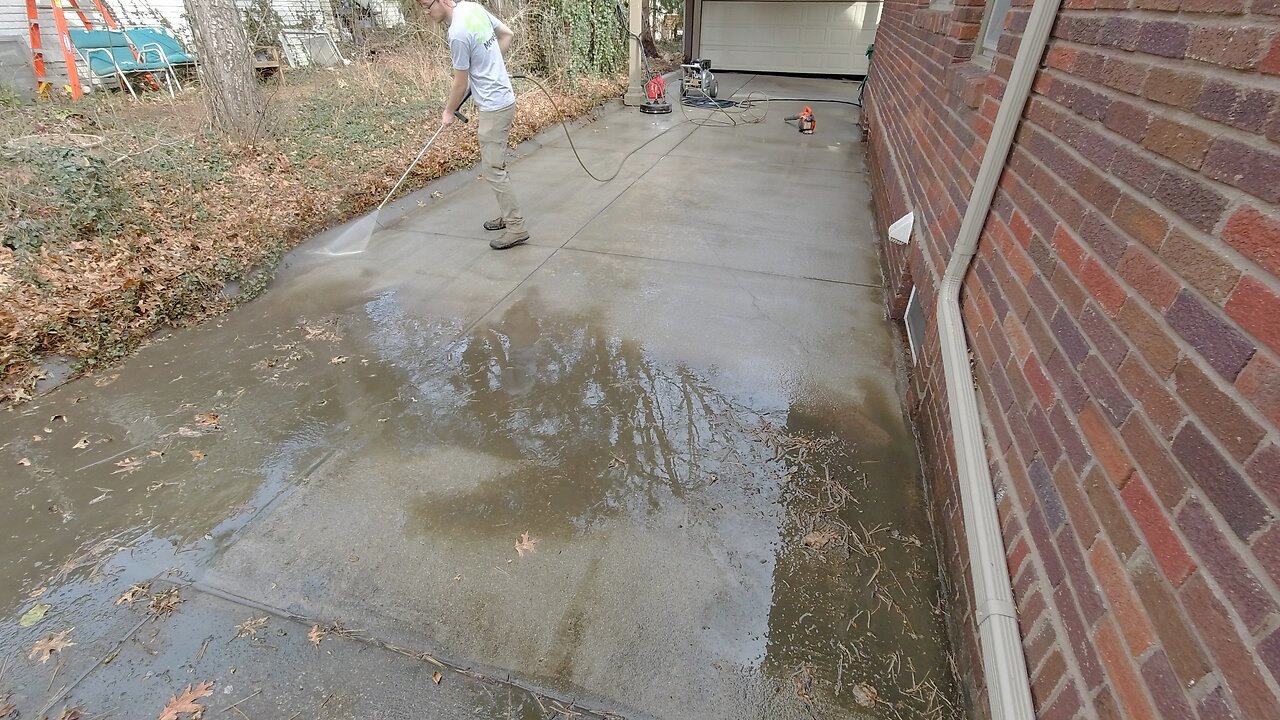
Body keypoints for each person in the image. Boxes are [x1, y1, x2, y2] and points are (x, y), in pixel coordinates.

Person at [422, 0, 529, 250]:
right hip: (503, 100)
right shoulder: (473, 8)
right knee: (497, 164)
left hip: (494, 107)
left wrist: (448, 111)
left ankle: (516, 227)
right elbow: (507, 34)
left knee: (493, 169)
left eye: (427, 5)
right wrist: (491, 67)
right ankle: (508, 215)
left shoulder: (457, 34)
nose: (426, 12)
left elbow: (460, 82)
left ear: (443, 1)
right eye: (422, 7)